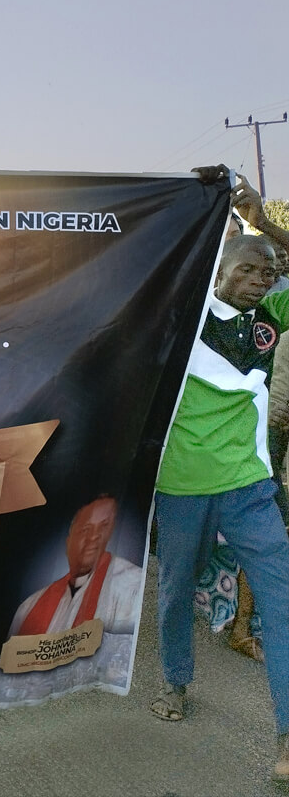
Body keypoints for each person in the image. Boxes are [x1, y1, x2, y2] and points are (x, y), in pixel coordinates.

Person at [151, 171, 289, 780]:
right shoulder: (183, 313)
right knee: (176, 590)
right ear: (218, 272)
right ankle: (178, 682)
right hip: (181, 488)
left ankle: (287, 737)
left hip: (251, 487)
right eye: (249, 270)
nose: (260, 280)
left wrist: (263, 223)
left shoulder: (272, 315)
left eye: (269, 273)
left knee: (282, 603)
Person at [9, 496, 143, 636]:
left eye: (103, 527)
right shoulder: (29, 607)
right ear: (68, 542)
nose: (93, 537)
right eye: (85, 529)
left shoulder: (133, 586)